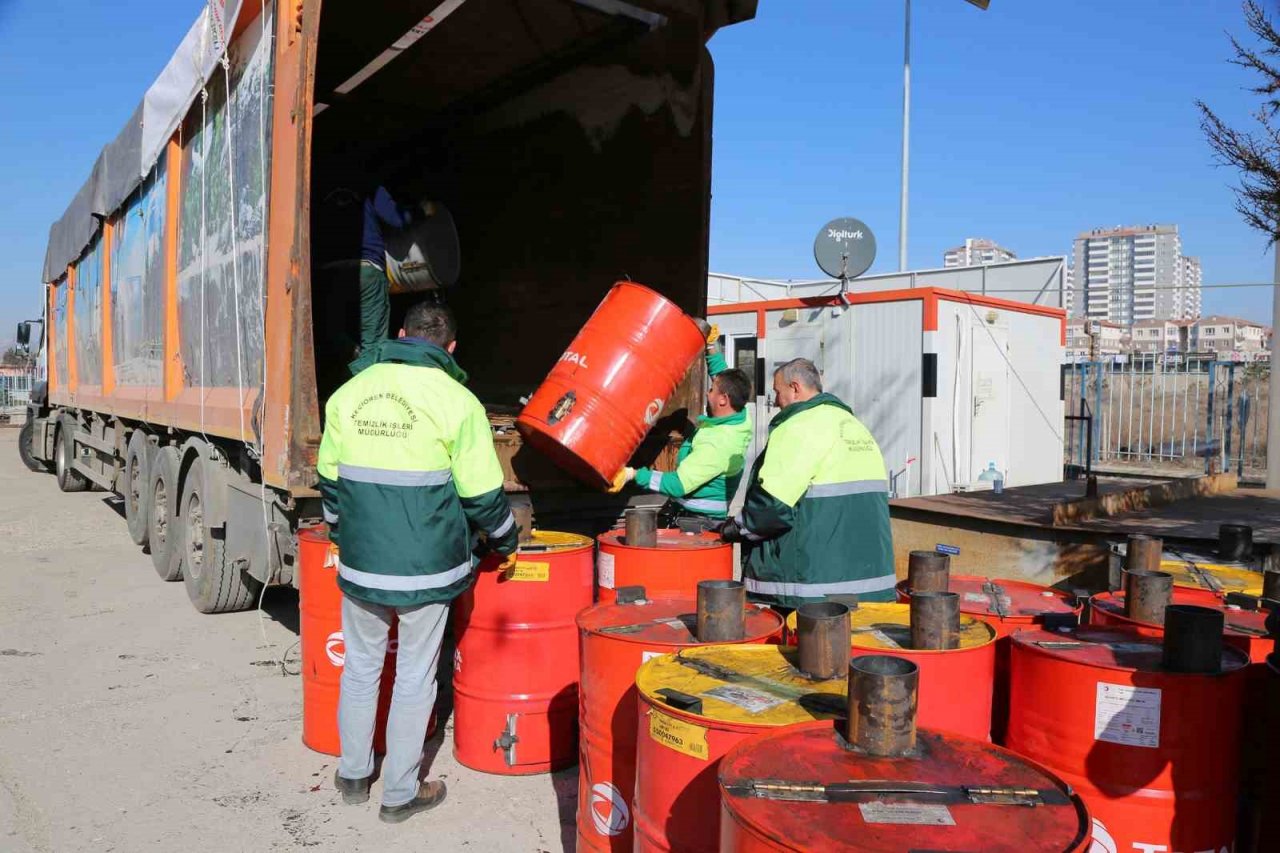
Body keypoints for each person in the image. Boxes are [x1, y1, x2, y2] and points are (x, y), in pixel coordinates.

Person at [317, 301, 518, 823]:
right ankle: (400, 793)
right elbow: (482, 496)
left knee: (360, 670)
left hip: (360, 566)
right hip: (427, 572)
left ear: (401, 334)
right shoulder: (459, 401)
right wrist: (506, 539)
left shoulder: (349, 393)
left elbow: (330, 485)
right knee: (413, 676)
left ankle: (355, 774)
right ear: (450, 349)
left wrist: (344, 531)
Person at [719, 357, 895, 610]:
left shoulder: (797, 427)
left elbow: (772, 508)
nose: (776, 401)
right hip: (868, 585)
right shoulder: (853, 426)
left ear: (795, 388)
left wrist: (735, 527)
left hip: (812, 588)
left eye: (777, 392)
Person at [611, 329, 753, 530]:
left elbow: (677, 485)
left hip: (700, 523)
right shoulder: (739, 417)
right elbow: (723, 380)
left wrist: (632, 475)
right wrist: (711, 347)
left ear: (723, 400)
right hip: (694, 513)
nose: (707, 392)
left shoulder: (719, 442)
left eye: (712, 390)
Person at [350, 185, 426, 375]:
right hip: (368, 268)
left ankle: (351, 363)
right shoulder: (373, 191)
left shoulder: (332, 192)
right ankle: (367, 390)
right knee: (374, 339)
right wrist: (422, 210)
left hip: (337, 269)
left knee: (341, 327)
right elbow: (398, 219)